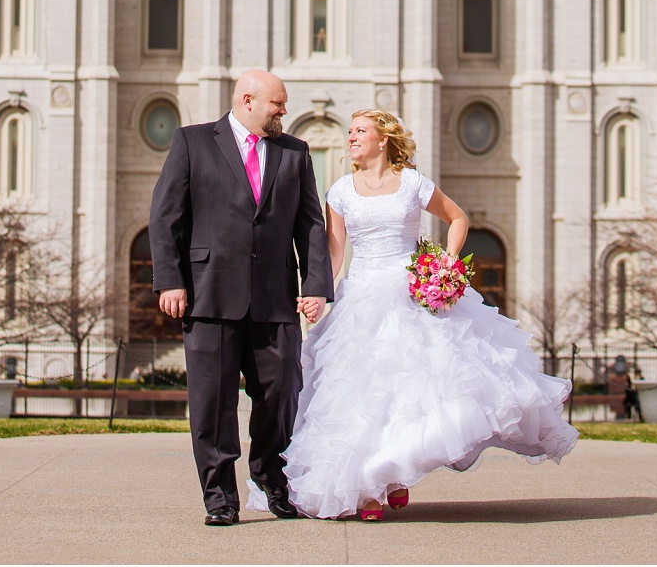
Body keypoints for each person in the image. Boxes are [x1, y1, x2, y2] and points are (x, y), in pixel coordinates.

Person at [262, 108, 577, 520]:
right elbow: (334, 250)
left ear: (382, 139)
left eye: (360, 132)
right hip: (362, 296)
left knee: (409, 392)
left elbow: (457, 218)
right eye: (350, 132)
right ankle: (371, 489)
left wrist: (445, 266)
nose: (351, 138)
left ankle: (396, 475)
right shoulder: (339, 191)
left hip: (413, 294)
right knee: (364, 394)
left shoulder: (412, 183)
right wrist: (318, 293)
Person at [148, 70, 333, 526]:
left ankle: (272, 480)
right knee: (212, 403)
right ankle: (220, 498)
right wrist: (170, 280)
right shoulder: (193, 142)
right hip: (209, 296)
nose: (284, 112)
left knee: (281, 394)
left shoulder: (295, 152)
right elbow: (165, 215)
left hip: (274, 300)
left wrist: (314, 287)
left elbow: (310, 224)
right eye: (278, 104)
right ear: (248, 100)